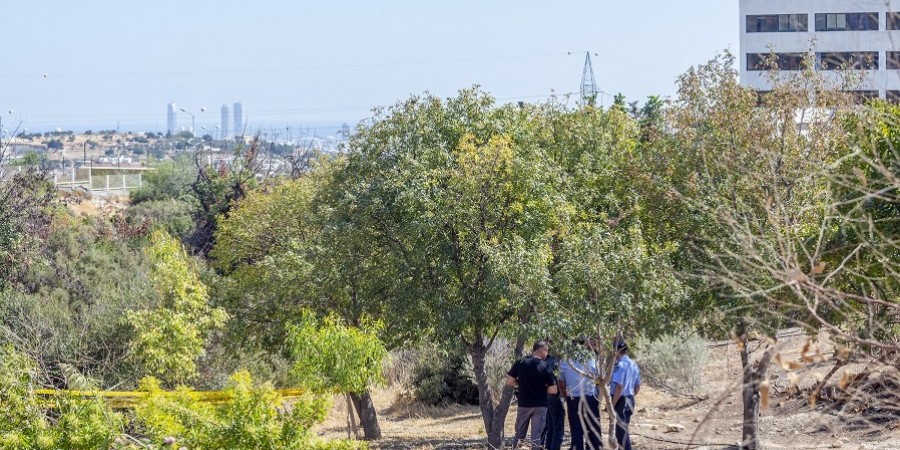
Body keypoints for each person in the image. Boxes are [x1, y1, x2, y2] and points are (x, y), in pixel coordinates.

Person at [506, 340, 557, 449]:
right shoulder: (545, 366)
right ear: (542, 350)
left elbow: (509, 381)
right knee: (536, 437)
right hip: (540, 406)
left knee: (519, 434)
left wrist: (521, 383)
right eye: (547, 351)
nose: (547, 354)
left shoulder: (520, 362)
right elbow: (553, 390)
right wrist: (544, 388)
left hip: (524, 405)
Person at [560, 344, 603, 450]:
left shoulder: (564, 361)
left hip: (573, 399)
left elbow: (561, 383)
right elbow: (599, 379)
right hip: (590, 398)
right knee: (592, 428)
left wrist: (566, 397)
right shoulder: (591, 359)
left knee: (576, 430)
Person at [610, 340, 640, 450]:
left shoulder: (620, 365)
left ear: (616, 351)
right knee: (624, 429)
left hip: (620, 400)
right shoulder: (633, 364)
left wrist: (612, 405)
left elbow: (619, 387)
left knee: (621, 433)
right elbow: (637, 387)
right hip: (630, 399)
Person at [541, 351, 565, 450]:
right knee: (557, 430)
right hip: (555, 397)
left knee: (550, 429)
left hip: (547, 398)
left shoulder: (546, 362)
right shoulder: (556, 363)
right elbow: (559, 382)